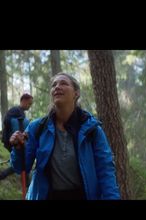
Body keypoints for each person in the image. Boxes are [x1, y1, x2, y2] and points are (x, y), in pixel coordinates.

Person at [9, 72, 121, 200]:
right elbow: (21, 167)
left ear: (76, 93)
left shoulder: (92, 130)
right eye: (54, 85)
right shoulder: (37, 128)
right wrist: (18, 149)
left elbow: (105, 171)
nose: (57, 87)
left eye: (63, 83)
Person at [0, 93, 33, 183]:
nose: (29, 106)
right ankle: (0, 176)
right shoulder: (15, 110)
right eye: (29, 103)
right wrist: (15, 133)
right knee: (21, 160)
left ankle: (26, 183)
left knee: (22, 160)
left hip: (18, 141)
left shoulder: (21, 113)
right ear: (23, 101)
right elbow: (6, 121)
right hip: (11, 141)